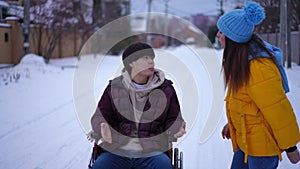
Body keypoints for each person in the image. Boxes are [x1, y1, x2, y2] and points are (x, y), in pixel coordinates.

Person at [217, 1, 300, 169]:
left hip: (262, 148)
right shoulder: (241, 62)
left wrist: (290, 147)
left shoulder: (257, 67)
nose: (218, 35)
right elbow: (245, 101)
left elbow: (277, 109)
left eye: (221, 32)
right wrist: (232, 123)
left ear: (233, 38)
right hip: (246, 141)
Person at [89, 42, 186, 169]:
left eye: (152, 58)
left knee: (163, 165)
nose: (151, 62)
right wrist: (102, 125)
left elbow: (173, 118)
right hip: (117, 149)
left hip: (152, 151)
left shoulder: (166, 89)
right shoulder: (114, 88)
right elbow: (99, 116)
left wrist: (176, 127)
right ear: (131, 63)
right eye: (145, 58)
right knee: (100, 166)